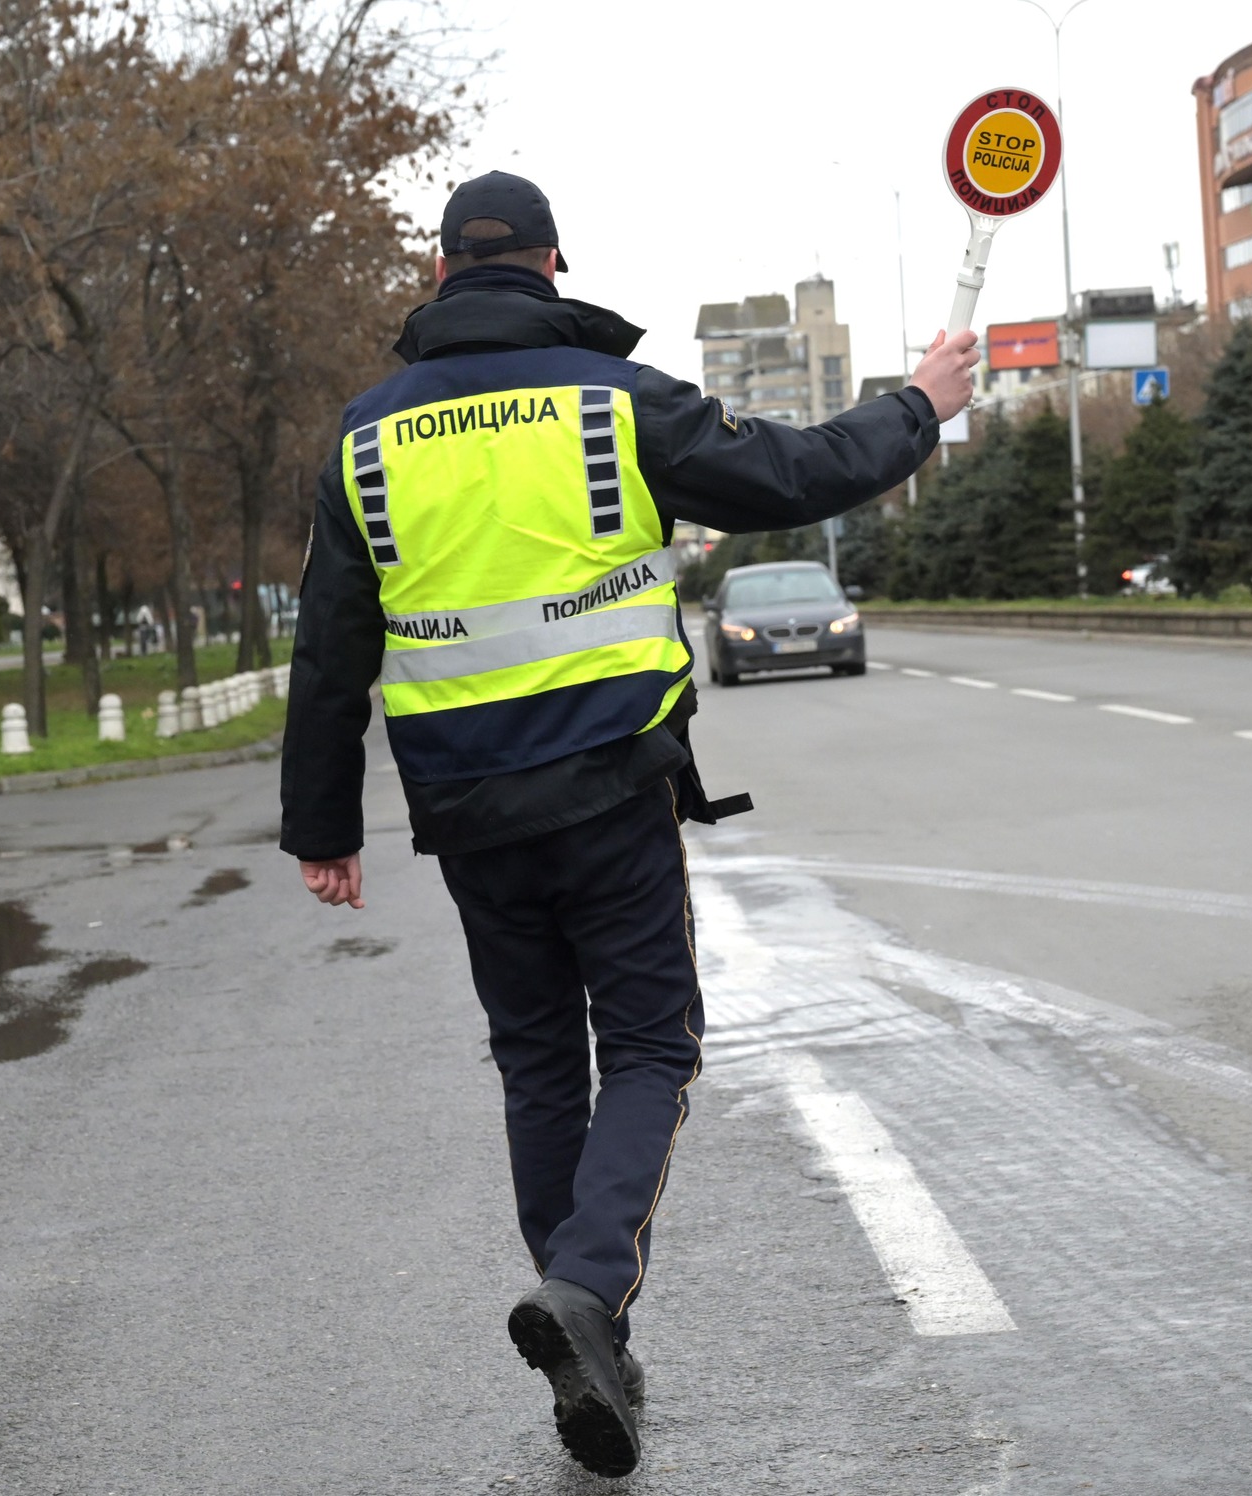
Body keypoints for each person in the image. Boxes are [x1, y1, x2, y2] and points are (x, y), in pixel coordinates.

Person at [281, 171, 976, 1477]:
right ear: (553, 266)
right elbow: (790, 472)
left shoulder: (365, 439)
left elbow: (330, 649)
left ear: (439, 279)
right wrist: (917, 409)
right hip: (610, 790)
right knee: (651, 1046)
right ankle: (589, 1294)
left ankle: (586, 1341)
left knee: (541, 1066)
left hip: (471, 812)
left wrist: (324, 824)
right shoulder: (614, 403)